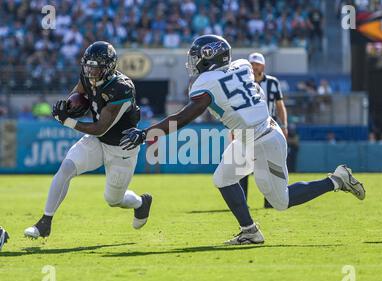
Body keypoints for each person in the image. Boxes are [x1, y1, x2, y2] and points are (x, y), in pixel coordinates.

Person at [120, 35, 366, 245]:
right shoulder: (242, 66)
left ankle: (336, 180)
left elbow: (184, 117)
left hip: (264, 139)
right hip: (249, 135)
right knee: (223, 178)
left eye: (197, 57)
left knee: (281, 202)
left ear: (209, 58)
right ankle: (250, 231)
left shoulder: (207, 83)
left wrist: (147, 133)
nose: (194, 63)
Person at [24, 41, 152, 239]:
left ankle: (140, 203)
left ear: (109, 67)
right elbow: (77, 94)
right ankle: (44, 223)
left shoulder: (121, 88)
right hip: (97, 142)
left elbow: (101, 127)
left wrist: (67, 121)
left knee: (113, 199)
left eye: (96, 67)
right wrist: (68, 106)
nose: (90, 71)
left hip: (121, 148)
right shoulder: (87, 76)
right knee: (66, 168)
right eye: (88, 66)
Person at [247, 52, 288, 207]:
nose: (254, 66)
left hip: (268, 127)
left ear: (263, 66)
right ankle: (242, 201)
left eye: (256, 63)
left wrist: (284, 125)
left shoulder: (272, 82)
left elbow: (280, 106)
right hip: (248, 128)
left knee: (270, 165)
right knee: (242, 164)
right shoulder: (244, 84)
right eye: (251, 63)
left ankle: (270, 201)